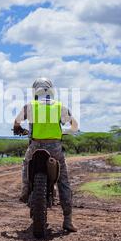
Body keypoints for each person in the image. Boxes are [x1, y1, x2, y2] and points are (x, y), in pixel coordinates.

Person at [13, 78, 78, 232]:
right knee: (63, 181)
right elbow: (75, 126)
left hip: (35, 147)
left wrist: (20, 129)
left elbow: (16, 122)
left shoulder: (30, 106)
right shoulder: (59, 107)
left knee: (26, 164)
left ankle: (25, 190)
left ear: (35, 91)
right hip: (55, 148)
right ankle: (68, 220)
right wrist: (64, 131)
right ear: (51, 90)